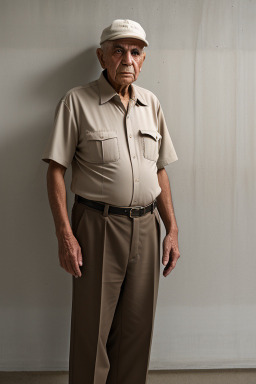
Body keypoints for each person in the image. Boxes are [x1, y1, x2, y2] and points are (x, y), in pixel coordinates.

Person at [42, 19, 180, 384]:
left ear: (143, 60)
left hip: (148, 227)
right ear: (101, 56)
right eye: (118, 50)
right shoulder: (77, 101)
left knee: (137, 331)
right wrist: (65, 235)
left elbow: (160, 171)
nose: (127, 59)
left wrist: (172, 230)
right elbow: (56, 170)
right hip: (97, 226)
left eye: (136, 52)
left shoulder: (151, 104)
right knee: (93, 332)